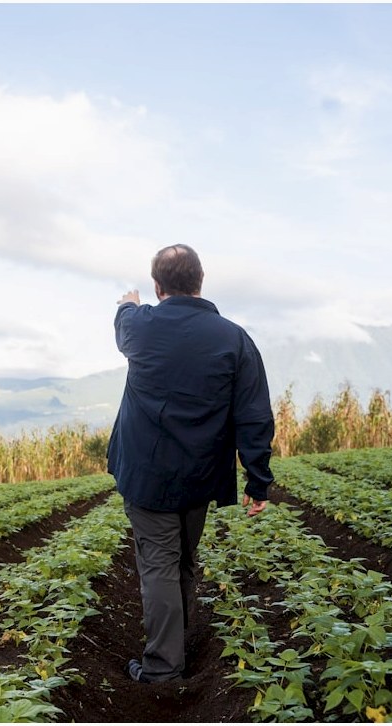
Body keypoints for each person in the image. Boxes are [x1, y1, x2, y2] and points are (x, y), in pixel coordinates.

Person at [106, 243, 274, 684]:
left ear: (158, 287)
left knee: (160, 563)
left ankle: (163, 667)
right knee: (182, 559)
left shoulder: (139, 326)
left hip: (146, 472)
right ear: (201, 282)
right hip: (200, 474)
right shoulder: (234, 338)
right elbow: (254, 414)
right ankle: (175, 645)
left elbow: (124, 318)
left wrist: (129, 302)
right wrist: (258, 480)